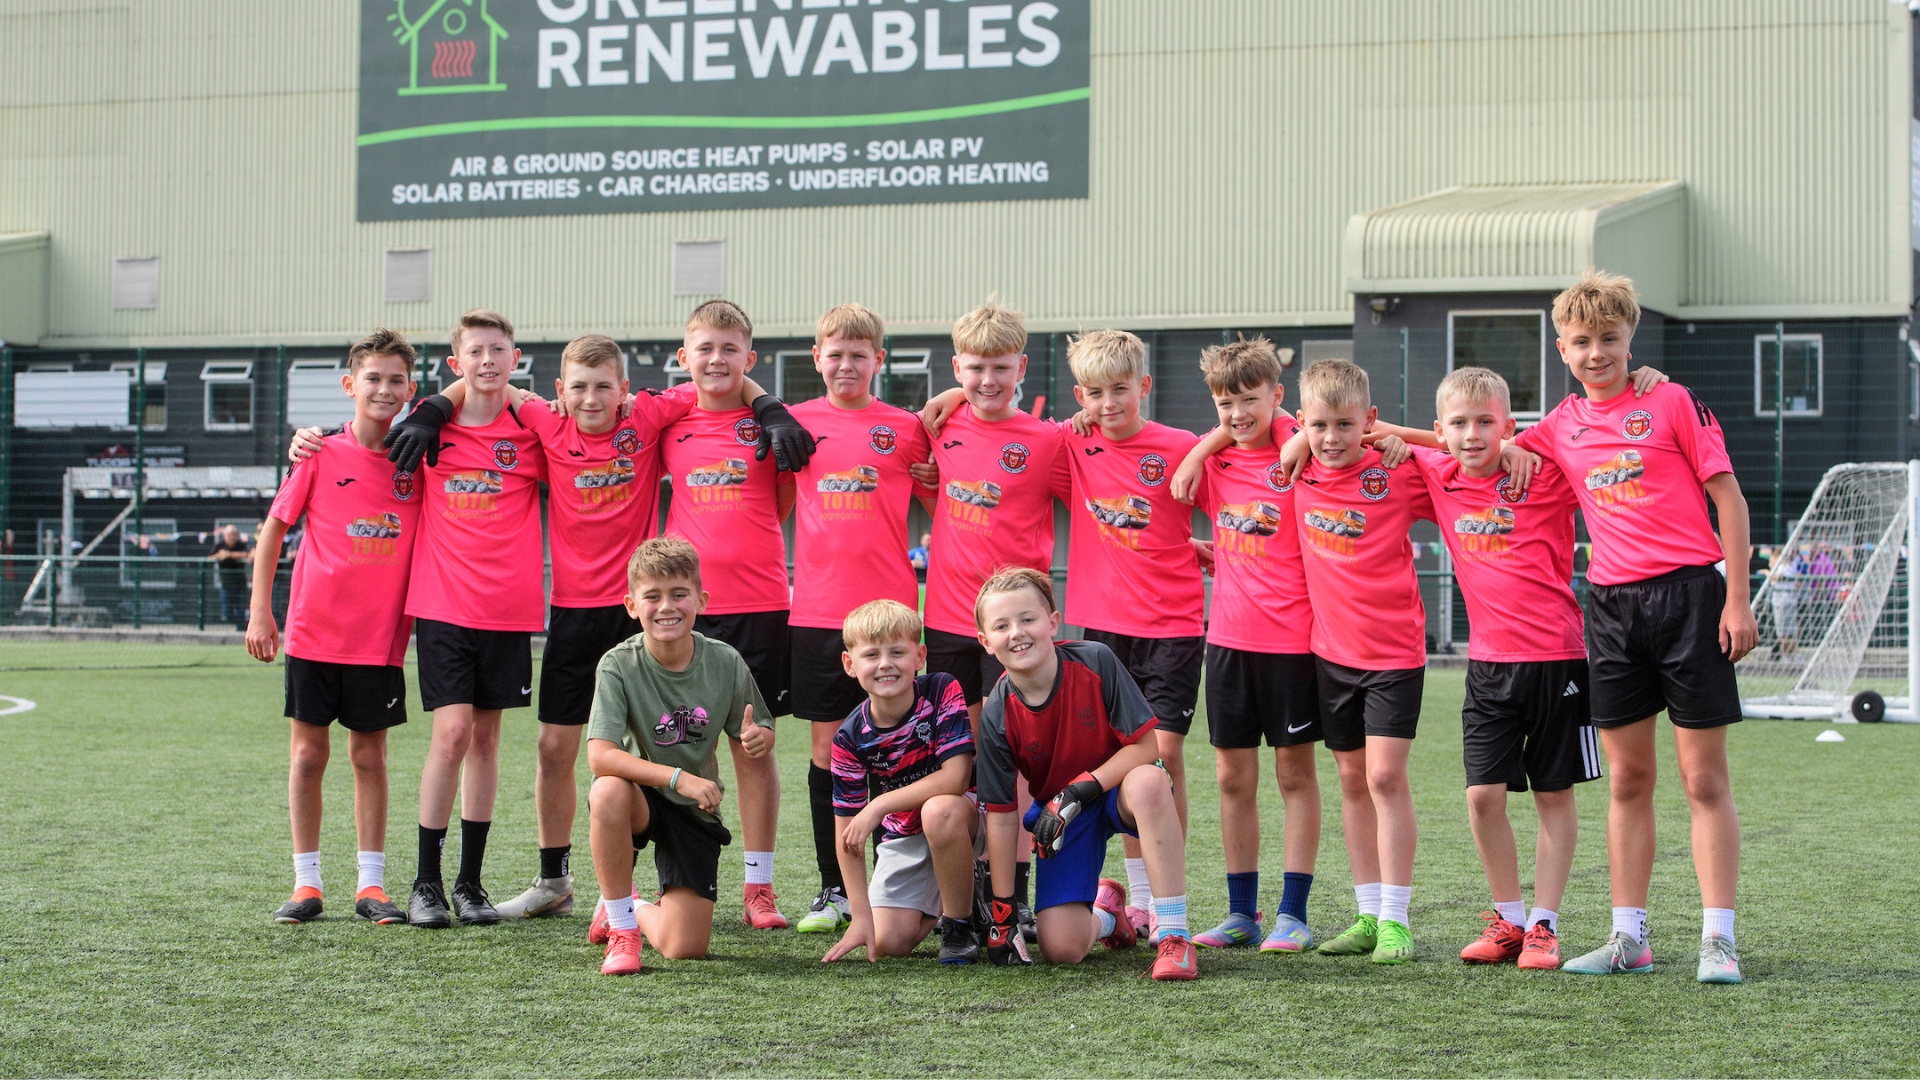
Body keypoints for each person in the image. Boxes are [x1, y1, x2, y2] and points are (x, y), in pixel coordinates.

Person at [1511, 269, 1756, 984]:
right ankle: (1629, 939)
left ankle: (1719, 940)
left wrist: (1737, 600)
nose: (1597, 354)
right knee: (1627, 780)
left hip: (1690, 600)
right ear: (1561, 348)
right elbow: (1478, 443)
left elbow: (1730, 501)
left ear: (1630, 338)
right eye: (1582, 342)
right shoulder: (1559, 425)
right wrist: (1377, 435)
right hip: (1612, 611)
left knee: (1703, 779)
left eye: (1609, 339)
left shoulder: (1671, 400)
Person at [1407, 367, 1599, 968]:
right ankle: (1508, 918)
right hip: (1488, 668)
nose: (1472, 435)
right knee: (1483, 796)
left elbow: (1592, 444)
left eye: (1486, 423)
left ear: (1508, 426)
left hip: (1559, 661)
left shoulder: (1542, 473)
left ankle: (1544, 924)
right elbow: (1360, 432)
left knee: (1552, 794)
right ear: (1441, 432)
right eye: (1458, 425)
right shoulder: (1438, 473)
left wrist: (1529, 444)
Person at [246, 328, 421, 926]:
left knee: (369, 757)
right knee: (307, 756)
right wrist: (259, 610)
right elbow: (273, 529)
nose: (383, 388)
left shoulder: (420, 459)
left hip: (380, 639)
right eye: (372, 378)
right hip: (314, 632)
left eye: (396, 379)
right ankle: (306, 883)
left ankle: (370, 887)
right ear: (350, 385)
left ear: (411, 390)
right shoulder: (318, 453)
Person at [913, 300, 1072, 941]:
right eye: (975, 369)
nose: (987, 381)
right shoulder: (939, 426)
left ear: (1022, 368)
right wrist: (941, 401)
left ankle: (1016, 895)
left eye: (1000, 368)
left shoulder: (1049, 439)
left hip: (1019, 629)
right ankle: (969, 890)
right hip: (950, 620)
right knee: (970, 759)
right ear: (958, 368)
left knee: (1022, 761)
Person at [657, 299, 813, 931]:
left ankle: (759, 886)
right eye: (704, 348)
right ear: (683, 357)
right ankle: (680, 880)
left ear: (750, 359)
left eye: (729, 349)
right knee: (680, 747)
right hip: (682, 612)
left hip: (759, 604)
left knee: (754, 747)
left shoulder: (770, 424)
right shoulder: (665, 420)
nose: (716, 359)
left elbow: (779, 504)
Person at [783, 304, 936, 935]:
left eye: (859, 353)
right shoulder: (792, 423)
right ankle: (833, 888)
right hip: (818, 610)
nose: (846, 365)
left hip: (893, 615)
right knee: (829, 751)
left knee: (896, 748)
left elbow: (946, 497)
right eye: (834, 354)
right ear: (816, 359)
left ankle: (889, 885)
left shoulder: (905, 427)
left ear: (879, 360)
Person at [1174, 337, 1323, 954]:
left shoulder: (1306, 448)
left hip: (1293, 643)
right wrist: (1206, 445)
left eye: (1250, 400)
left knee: (1294, 774)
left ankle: (1294, 912)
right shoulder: (1213, 462)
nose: (1238, 414)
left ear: (1276, 396)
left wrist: (1287, 430)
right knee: (1232, 778)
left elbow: (1326, 428)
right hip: (1228, 640)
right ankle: (1242, 914)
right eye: (1224, 403)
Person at [973, 567, 1197, 979]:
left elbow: (1147, 748)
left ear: (1053, 622)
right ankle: (1108, 915)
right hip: (1060, 817)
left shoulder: (1096, 659)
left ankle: (1175, 935)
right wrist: (1002, 913)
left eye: (1028, 619)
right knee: (1062, 948)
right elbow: (1002, 815)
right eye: (1002, 626)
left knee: (1150, 780)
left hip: (1115, 791)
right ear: (986, 642)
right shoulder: (996, 712)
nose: (1018, 632)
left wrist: (1077, 790)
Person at [1285, 358, 1434, 965]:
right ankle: (1368, 914)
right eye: (1318, 425)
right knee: (1350, 780)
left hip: (1396, 654)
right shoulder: (1294, 470)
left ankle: (1397, 919)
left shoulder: (1399, 470)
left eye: (1346, 425)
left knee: (1383, 778)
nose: (1331, 438)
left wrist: (1403, 438)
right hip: (1330, 656)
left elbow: (1472, 447)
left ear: (1369, 422)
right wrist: (1297, 438)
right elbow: (1243, 425)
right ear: (1301, 424)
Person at [582, 538, 774, 973]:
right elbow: (600, 756)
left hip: (694, 808)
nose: (666, 606)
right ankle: (622, 930)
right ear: (632, 605)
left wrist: (759, 737)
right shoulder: (618, 664)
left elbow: (758, 728)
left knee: (684, 947)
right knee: (608, 790)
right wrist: (675, 777)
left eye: (678, 594)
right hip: (644, 796)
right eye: (652, 596)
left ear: (700, 601)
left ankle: (629, 902)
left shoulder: (725, 661)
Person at [821, 599, 980, 964]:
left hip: (965, 817)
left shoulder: (941, 689)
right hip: (906, 832)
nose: (885, 664)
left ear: (919, 656)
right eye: (871, 655)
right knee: (888, 941)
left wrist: (878, 804)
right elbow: (846, 828)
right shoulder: (849, 737)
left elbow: (956, 778)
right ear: (850, 664)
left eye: (897, 652)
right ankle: (958, 891)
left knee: (939, 810)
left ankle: (959, 925)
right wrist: (860, 914)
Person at [210, 524, 252, 630]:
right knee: (227, 612)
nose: (232, 537)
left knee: (241, 610)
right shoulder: (220, 545)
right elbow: (210, 557)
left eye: (234, 535)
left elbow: (247, 554)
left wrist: (229, 554)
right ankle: (232, 628)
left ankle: (241, 633)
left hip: (241, 584)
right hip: (226, 584)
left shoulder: (241, 544)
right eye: (230, 535)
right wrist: (220, 555)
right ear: (224, 536)